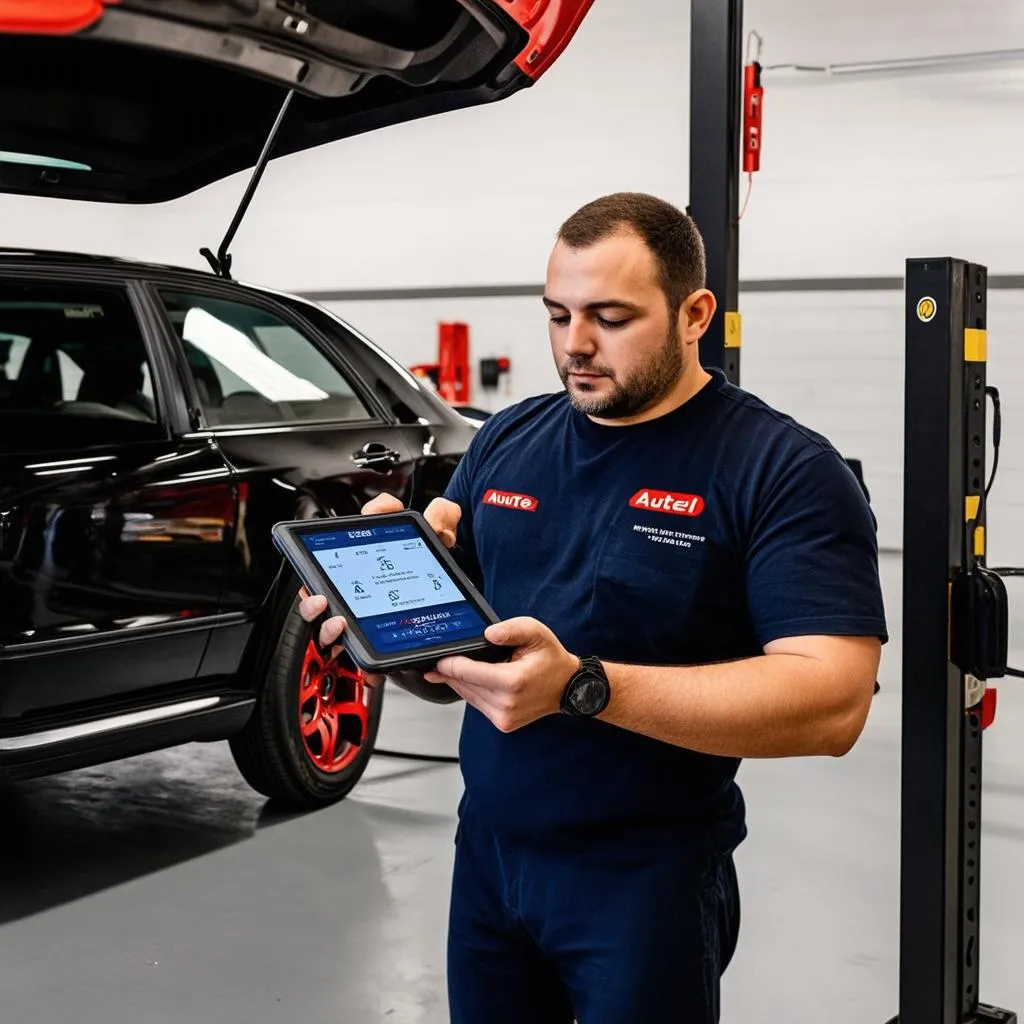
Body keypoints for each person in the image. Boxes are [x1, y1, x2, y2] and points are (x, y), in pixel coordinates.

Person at [299, 192, 887, 1023]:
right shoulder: (507, 440)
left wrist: (583, 686)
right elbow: (462, 670)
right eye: (558, 314)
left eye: (611, 317)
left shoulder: (780, 469)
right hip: (490, 863)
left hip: (646, 880)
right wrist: (386, 633)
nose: (575, 344)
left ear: (695, 314)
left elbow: (833, 702)